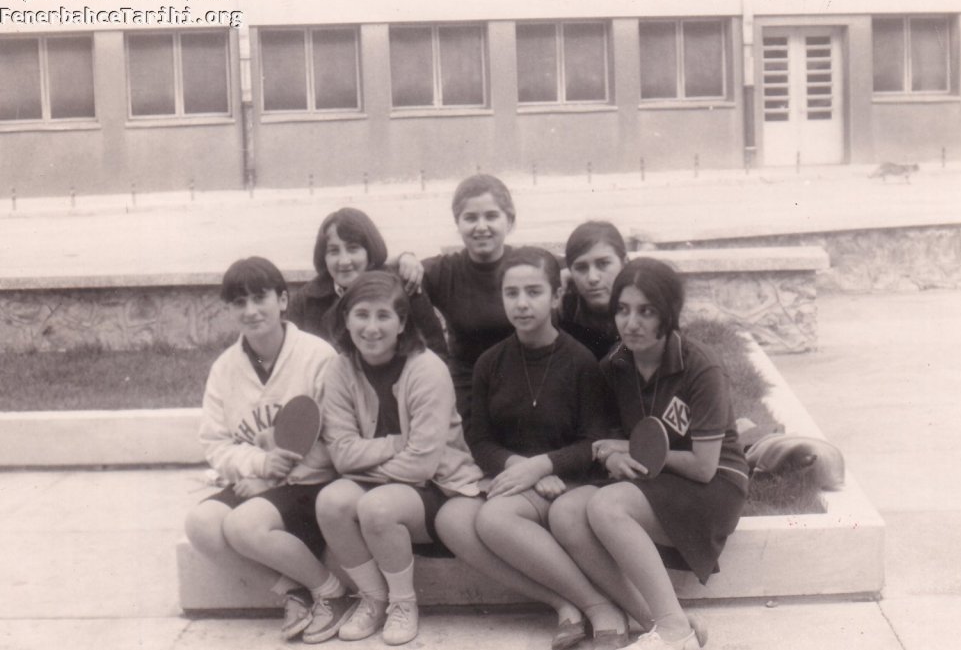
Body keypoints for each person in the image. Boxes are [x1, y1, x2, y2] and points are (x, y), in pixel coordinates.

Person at [549, 258, 750, 650]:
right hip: (655, 479)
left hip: (714, 485)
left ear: (669, 313)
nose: (631, 323)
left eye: (646, 311)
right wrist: (611, 456)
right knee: (566, 513)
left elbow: (704, 467)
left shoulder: (700, 366)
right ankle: (667, 623)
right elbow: (604, 437)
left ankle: (674, 632)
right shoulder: (615, 364)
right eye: (622, 310)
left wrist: (633, 450)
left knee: (607, 506)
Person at [435, 247, 628, 650]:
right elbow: (479, 440)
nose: (521, 303)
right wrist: (521, 467)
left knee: (494, 519)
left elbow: (593, 442)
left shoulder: (580, 362)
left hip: (571, 482)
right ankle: (564, 603)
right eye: (511, 293)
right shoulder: (490, 363)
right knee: (451, 519)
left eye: (534, 292)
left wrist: (543, 466)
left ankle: (601, 608)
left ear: (556, 296)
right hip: (514, 478)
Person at [183, 256, 352, 644]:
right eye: (239, 302)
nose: (251, 310)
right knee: (201, 524)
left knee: (243, 526)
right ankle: (295, 591)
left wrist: (274, 480)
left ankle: (333, 594)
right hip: (259, 481)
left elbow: (336, 440)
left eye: (260, 298)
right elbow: (215, 443)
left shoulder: (318, 356)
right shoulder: (225, 368)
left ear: (282, 300)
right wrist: (260, 465)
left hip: (313, 484)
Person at [315, 271, 483, 646]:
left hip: (439, 488)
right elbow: (341, 454)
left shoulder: (426, 369)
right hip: (387, 481)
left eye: (383, 316)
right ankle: (374, 599)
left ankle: (403, 604)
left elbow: (422, 465)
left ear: (402, 322)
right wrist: (395, 443)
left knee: (376, 507)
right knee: (330, 501)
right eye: (361, 314)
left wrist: (365, 460)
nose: (371, 327)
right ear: (346, 319)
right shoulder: (339, 370)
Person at [401, 174, 518, 419]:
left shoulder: (527, 264)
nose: (481, 227)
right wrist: (404, 257)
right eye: (471, 218)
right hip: (466, 388)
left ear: (509, 221)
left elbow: (569, 264)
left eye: (491, 216)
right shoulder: (446, 271)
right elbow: (385, 274)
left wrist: (567, 273)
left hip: (522, 380)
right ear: (458, 223)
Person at [289, 206, 447, 359]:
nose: (344, 261)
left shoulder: (404, 289)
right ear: (323, 256)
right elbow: (284, 357)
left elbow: (436, 353)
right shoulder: (306, 300)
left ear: (370, 251)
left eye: (353, 248)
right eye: (334, 251)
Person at [561, 221, 628, 359]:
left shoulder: (648, 303)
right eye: (581, 267)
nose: (592, 278)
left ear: (624, 263)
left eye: (603, 264)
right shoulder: (564, 308)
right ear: (570, 271)